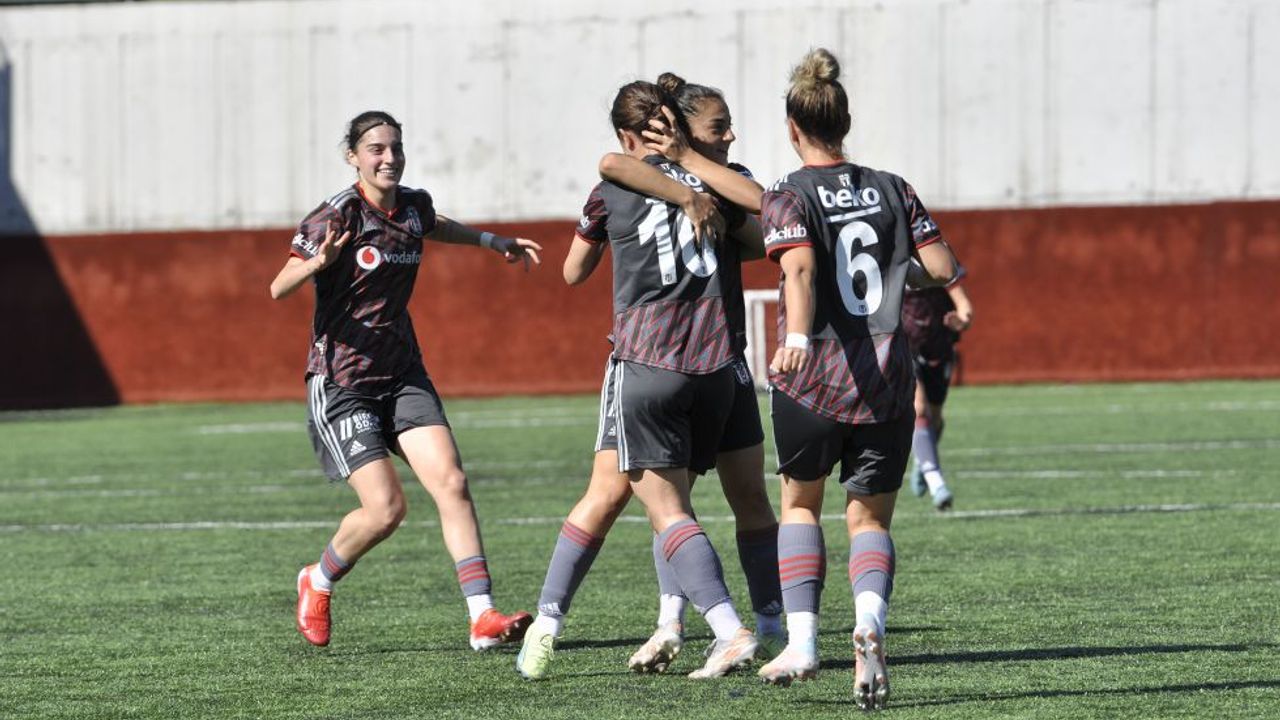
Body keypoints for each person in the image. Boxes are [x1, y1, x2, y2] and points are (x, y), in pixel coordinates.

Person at [269, 110, 541, 650]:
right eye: (376, 148)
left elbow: (433, 225)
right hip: (343, 381)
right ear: (353, 157)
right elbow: (278, 286)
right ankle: (317, 579)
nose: (388, 157)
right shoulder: (337, 214)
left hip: (402, 374)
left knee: (452, 483)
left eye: (395, 147)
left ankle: (482, 617)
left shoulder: (414, 205)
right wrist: (317, 263)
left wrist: (492, 241)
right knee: (386, 510)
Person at [516, 81, 757, 681]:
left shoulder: (612, 188)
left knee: (656, 506)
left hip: (647, 362)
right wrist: (693, 199)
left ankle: (727, 629)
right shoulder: (718, 181)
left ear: (628, 135)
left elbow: (573, 271)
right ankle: (668, 621)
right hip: (715, 365)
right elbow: (758, 236)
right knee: (634, 494)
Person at [752, 50, 957, 711]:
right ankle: (869, 621)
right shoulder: (894, 187)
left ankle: (804, 642)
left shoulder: (788, 192)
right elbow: (942, 267)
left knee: (800, 507)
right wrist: (900, 272)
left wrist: (794, 340)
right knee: (868, 519)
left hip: (813, 380)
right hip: (887, 383)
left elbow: (800, 270)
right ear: (846, 121)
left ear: (792, 126)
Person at [581, 73, 786, 672]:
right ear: (682, 130)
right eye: (718, 127)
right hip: (684, 363)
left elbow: (763, 222)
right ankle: (672, 623)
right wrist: (686, 189)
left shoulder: (727, 177)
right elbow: (611, 164)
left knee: (731, 498)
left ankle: (761, 624)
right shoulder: (645, 179)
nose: (730, 136)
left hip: (715, 362)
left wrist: (702, 185)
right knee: (674, 503)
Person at [903, 274, 974, 510]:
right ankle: (937, 484)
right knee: (919, 408)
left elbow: (963, 305)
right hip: (903, 344)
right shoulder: (892, 258)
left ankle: (923, 458)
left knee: (935, 417)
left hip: (939, 344)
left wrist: (962, 321)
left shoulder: (941, 262)